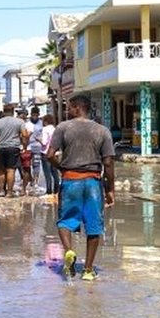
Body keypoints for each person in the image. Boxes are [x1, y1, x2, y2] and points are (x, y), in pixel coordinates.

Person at [46, 94, 115, 282]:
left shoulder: (63, 128)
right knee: (94, 226)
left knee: (65, 221)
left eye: (69, 107)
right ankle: (88, 270)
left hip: (70, 181)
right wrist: (110, 190)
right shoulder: (102, 130)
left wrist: (62, 167)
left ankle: (69, 251)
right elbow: (108, 162)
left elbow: (50, 154)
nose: (67, 111)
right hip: (93, 182)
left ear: (77, 108)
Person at [0, 106, 25, 197]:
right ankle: (9, 192)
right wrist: (24, 146)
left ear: (4, 112)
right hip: (14, 148)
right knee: (11, 169)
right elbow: (24, 135)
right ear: (13, 111)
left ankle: (1, 191)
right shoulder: (19, 122)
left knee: (1, 169)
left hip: (1, 147)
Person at [22, 107, 44, 195]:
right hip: (28, 147)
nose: (35, 117)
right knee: (26, 166)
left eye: (36, 115)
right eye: (33, 115)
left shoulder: (41, 124)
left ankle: (35, 182)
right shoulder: (26, 124)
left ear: (38, 115)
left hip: (38, 147)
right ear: (31, 115)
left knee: (36, 164)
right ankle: (28, 180)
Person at [38, 114, 60, 199]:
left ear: (45, 121)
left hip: (45, 153)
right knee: (55, 173)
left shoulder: (45, 129)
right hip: (55, 153)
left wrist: (38, 139)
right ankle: (57, 191)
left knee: (47, 173)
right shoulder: (56, 129)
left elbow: (44, 142)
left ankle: (49, 191)